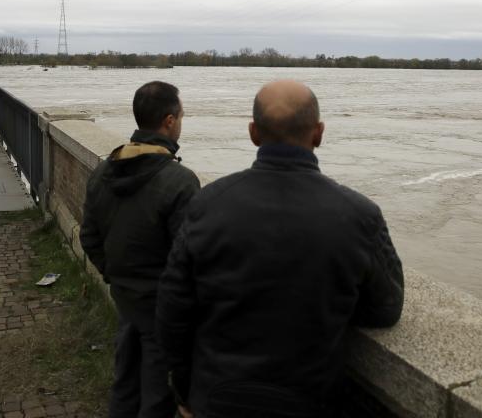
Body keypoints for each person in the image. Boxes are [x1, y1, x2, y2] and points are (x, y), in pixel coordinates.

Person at [156, 80, 404, 418]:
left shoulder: (207, 204)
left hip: (218, 398)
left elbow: (173, 311)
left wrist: (185, 390)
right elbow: (386, 308)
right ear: (318, 133)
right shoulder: (359, 215)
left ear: (253, 133)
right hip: (309, 402)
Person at [80, 81, 201, 418]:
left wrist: (115, 276)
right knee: (158, 395)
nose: (180, 122)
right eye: (181, 116)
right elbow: (187, 259)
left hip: (126, 297)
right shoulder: (180, 181)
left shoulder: (104, 171)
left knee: (125, 386)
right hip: (163, 308)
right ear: (168, 121)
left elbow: (89, 237)